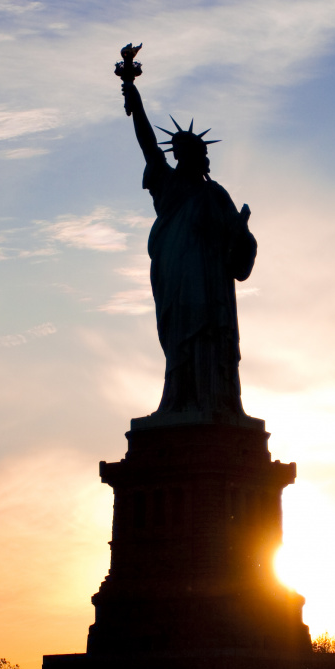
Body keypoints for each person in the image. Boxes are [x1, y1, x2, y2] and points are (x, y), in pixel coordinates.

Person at [119, 51, 256, 421]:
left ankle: (215, 402)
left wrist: (242, 234)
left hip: (211, 288)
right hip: (178, 282)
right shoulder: (168, 186)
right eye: (195, 153)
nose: (202, 158)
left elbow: (240, 245)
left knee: (211, 338)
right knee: (181, 342)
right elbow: (148, 143)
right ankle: (180, 401)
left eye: (202, 153)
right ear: (183, 156)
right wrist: (134, 96)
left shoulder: (215, 195)